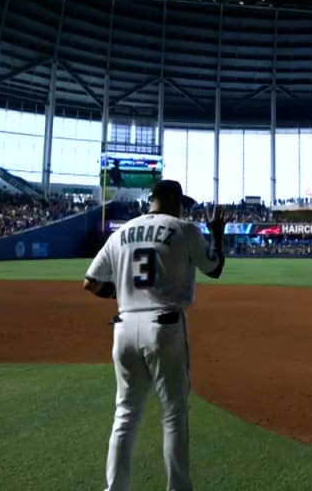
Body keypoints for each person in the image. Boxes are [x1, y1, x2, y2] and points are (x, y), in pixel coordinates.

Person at [83, 179, 227, 491]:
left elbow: (91, 282)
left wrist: (121, 293)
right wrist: (217, 232)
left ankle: (115, 488)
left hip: (123, 327)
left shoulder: (120, 233)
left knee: (125, 415)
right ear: (173, 200)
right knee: (174, 413)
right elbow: (214, 268)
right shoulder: (184, 228)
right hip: (163, 328)